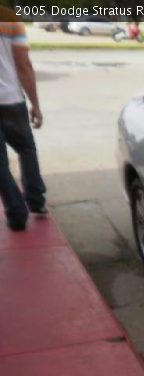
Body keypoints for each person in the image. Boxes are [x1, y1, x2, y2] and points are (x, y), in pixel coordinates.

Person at [0, 9, 46, 232]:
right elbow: (23, 64)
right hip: (11, 101)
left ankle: (17, 214)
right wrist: (35, 104)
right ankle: (36, 200)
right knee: (26, 147)